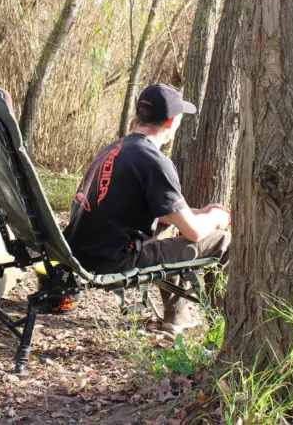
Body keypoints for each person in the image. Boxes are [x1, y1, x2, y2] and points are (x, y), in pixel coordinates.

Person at [63, 84, 231, 335]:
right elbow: (195, 234)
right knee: (222, 240)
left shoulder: (114, 149)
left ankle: (177, 317)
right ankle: (223, 326)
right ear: (172, 122)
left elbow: (139, 208)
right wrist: (216, 216)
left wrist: (195, 212)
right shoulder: (155, 161)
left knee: (171, 225)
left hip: (80, 254)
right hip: (113, 262)